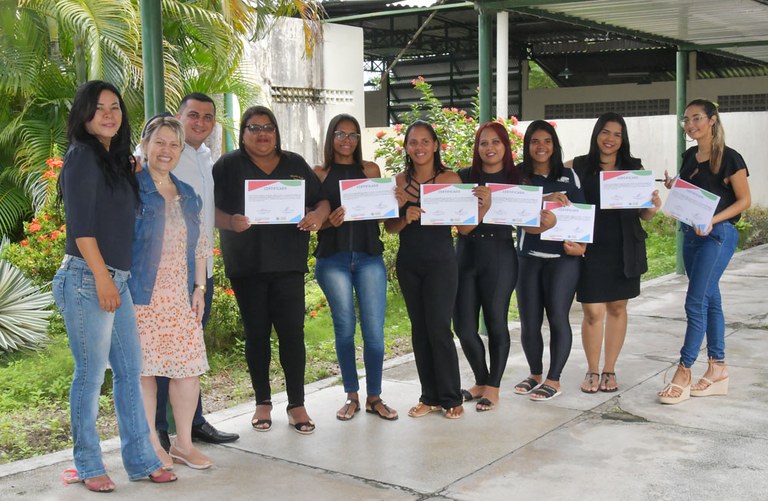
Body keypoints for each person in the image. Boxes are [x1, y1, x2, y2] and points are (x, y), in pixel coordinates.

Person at [53, 80, 175, 493]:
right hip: (90, 278)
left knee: (128, 372)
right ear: (84, 114)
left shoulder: (114, 161)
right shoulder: (82, 157)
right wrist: (104, 280)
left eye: (115, 107)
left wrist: (132, 167)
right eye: (100, 107)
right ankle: (88, 464)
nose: (109, 114)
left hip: (114, 278)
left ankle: (140, 459)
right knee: (90, 376)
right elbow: (81, 229)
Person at [213, 106, 330, 433]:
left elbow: (321, 201)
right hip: (246, 265)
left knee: (293, 334)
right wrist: (230, 221)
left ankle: (297, 404)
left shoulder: (294, 164)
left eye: (268, 127)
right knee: (257, 335)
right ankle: (262, 402)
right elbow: (209, 209)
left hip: (288, 264)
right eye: (254, 128)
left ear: (276, 131)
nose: (262, 134)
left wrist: (318, 217)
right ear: (243, 132)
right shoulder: (227, 165)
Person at [150, 94, 239, 451]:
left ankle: (194, 424)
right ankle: (157, 429)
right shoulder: (168, 154)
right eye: (193, 115)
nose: (200, 122)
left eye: (207, 117)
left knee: (190, 351)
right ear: (178, 116)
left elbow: (204, 215)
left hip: (202, 268)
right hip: (168, 270)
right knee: (158, 353)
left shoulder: (205, 157)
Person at [384, 120, 490, 420]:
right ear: (406, 147)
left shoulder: (450, 179)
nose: (419, 147)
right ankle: (428, 396)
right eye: (413, 142)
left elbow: (466, 227)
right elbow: (390, 228)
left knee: (439, 329)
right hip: (409, 262)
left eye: (425, 141)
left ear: (435, 145)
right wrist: (406, 216)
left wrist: (483, 207)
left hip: (442, 261)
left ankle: (450, 396)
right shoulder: (398, 181)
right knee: (420, 330)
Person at [453, 122, 555, 412]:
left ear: (505, 147)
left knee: (496, 322)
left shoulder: (518, 179)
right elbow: (460, 225)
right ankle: (481, 381)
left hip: (499, 255)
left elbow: (530, 225)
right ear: (477, 147)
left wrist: (547, 222)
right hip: (465, 254)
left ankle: (493, 387)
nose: (489, 148)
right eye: (483, 143)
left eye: (495, 142)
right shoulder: (465, 177)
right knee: (463, 327)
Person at [130, 116, 213, 470]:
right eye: (159, 142)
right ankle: (152, 444)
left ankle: (183, 443)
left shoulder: (187, 194)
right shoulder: (131, 188)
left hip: (179, 295)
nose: (166, 151)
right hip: (140, 295)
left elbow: (200, 245)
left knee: (187, 369)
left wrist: (199, 286)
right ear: (145, 144)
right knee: (145, 372)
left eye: (173, 145)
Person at [658, 99, 750, 404]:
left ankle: (683, 371)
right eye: (686, 120)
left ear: (712, 120)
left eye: (697, 118)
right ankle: (717, 369)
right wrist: (675, 185)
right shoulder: (689, 156)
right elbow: (693, 191)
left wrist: (713, 220)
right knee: (710, 299)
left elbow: (743, 201)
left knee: (695, 302)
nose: (691, 124)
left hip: (717, 236)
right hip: (691, 236)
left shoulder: (730, 159)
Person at [568, 113, 661, 394]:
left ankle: (609, 370)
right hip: (590, 248)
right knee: (593, 312)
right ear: (597, 134)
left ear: (623, 140)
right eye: (605, 132)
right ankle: (591, 370)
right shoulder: (578, 165)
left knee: (618, 308)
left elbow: (644, 215)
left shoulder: (634, 167)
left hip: (624, 246)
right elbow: (550, 182)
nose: (610, 139)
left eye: (617, 134)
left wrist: (653, 206)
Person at [313, 114, 398, 421]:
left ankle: (375, 395)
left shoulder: (370, 170)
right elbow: (311, 220)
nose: (346, 141)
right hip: (332, 258)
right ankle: (351, 395)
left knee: (374, 332)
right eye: (340, 134)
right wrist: (327, 221)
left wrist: (391, 203)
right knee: (345, 329)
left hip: (368, 256)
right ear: (330, 138)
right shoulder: (319, 172)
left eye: (352, 135)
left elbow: (380, 214)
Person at [513, 120, 585, 402]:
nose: (540, 147)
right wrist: (546, 198)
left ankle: (554, 380)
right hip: (527, 257)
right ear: (527, 145)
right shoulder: (518, 176)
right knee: (529, 322)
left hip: (562, 259)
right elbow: (515, 210)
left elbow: (582, 215)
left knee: (557, 317)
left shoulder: (569, 175)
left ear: (554, 145)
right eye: (534, 141)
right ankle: (535, 374)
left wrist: (580, 247)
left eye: (546, 141)